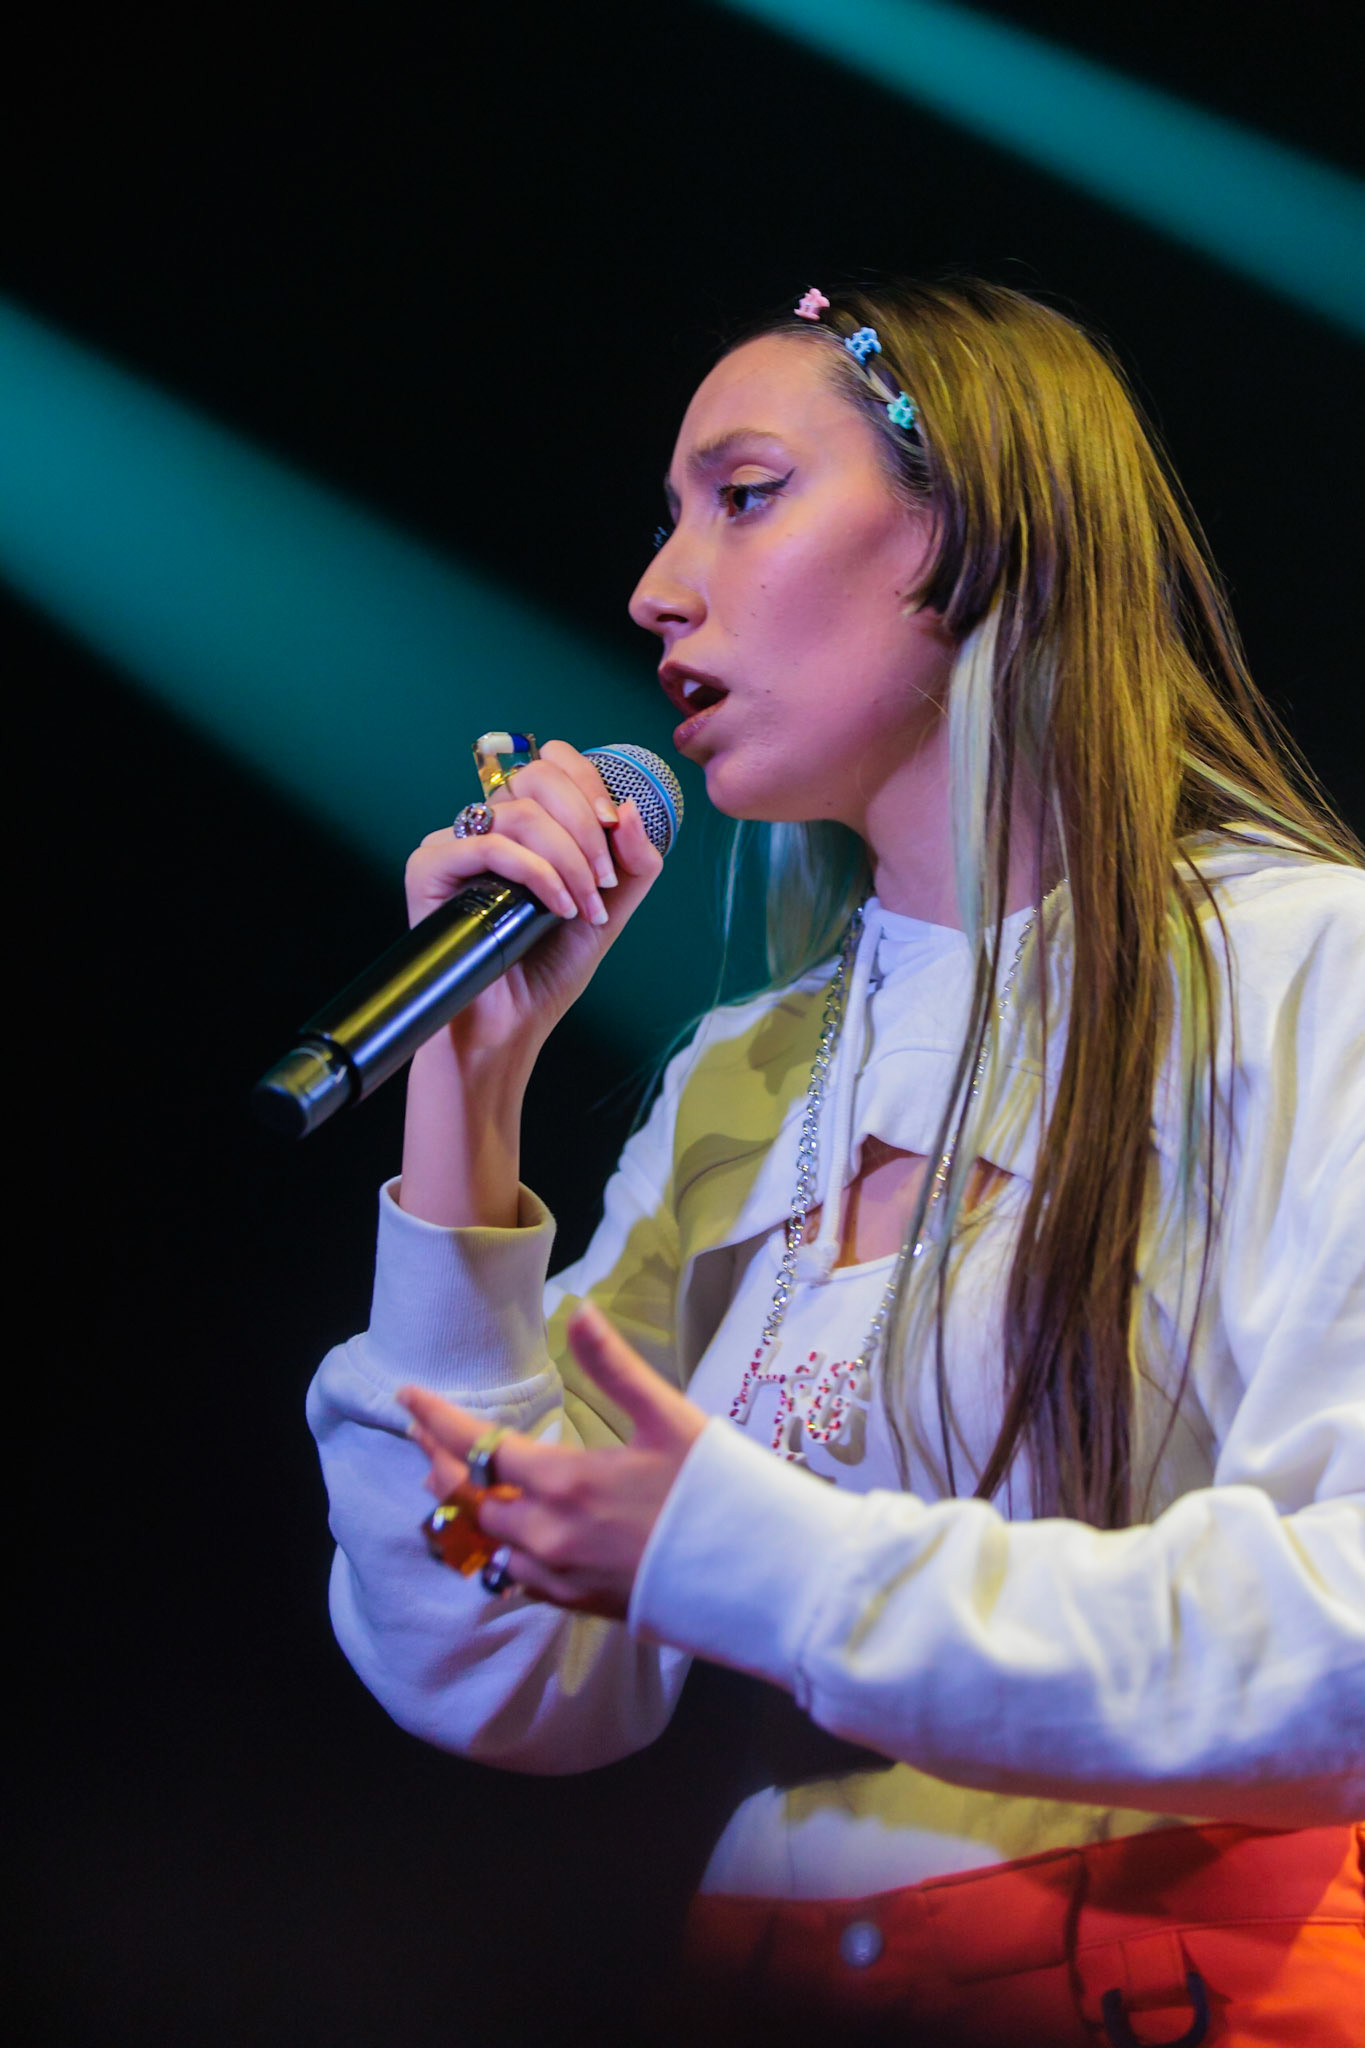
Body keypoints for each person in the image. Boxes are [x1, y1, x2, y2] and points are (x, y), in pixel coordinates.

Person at [308, 279, 1365, 2046]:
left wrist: (772, 1566)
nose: (657, 587)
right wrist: (466, 1105)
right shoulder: (748, 1077)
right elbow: (484, 1664)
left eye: (741, 493)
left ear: (977, 533)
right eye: (665, 519)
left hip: (1199, 1984)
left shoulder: (1306, 972)